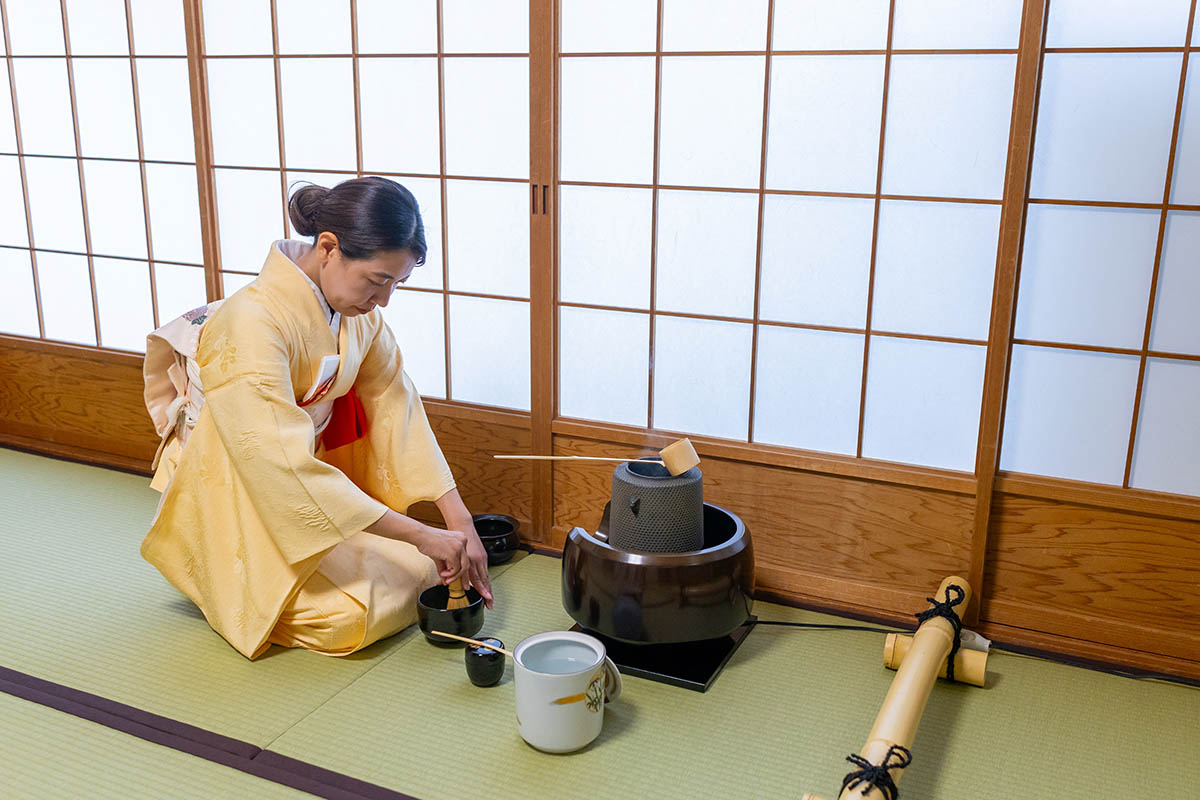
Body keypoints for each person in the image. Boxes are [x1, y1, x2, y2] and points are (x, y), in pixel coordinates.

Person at [140, 176, 492, 660]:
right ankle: (208, 563)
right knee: (351, 618)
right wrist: (421, 533)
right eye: (377, 280)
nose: (385, 299)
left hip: (304, 485)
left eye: (397, 282)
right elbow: (275, 461)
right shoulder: (251, 322)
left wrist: (458, 518)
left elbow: (394, 401)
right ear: (329, 247)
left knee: (422, 568)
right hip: (241, 488)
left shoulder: (359, 314)